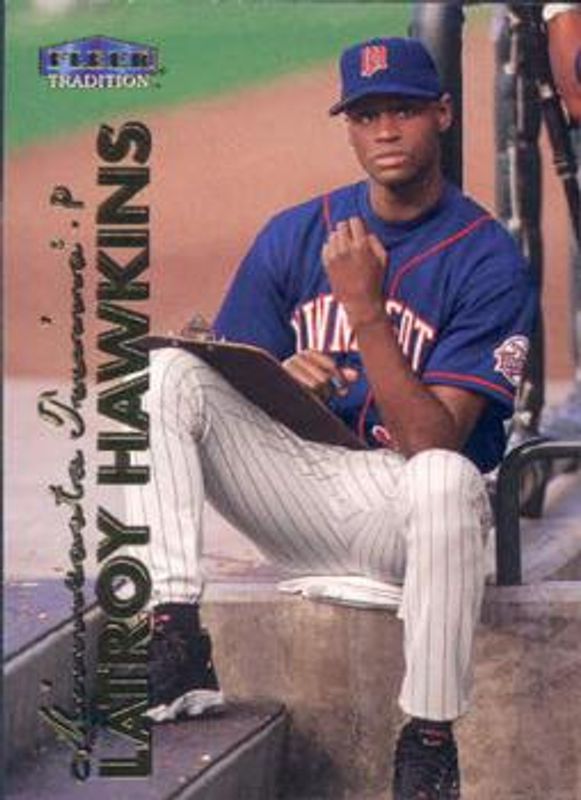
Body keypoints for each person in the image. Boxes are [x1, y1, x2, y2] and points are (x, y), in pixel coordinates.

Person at [128, 37, 538, 799]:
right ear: (348, 127)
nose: (385, 130)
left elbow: (433, 442)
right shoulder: (296, 231)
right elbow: (228, 382)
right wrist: (280, 380)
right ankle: (174, 632)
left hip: (410, 522)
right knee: (163, 372)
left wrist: (363, 311)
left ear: (441, 114)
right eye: (365, 114)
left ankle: (427, 742)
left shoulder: (486, 259)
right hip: (300, 497)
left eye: (403, 111)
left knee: (445, 477)